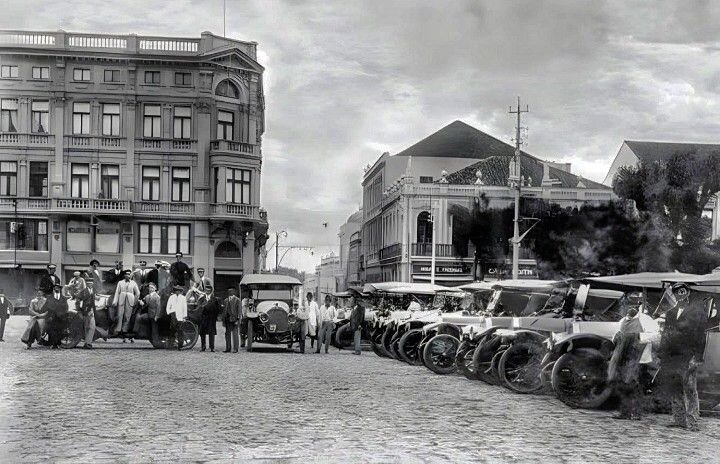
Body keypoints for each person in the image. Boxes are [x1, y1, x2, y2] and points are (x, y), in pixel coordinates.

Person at [658, 283, 709, 431]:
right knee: (674, 388)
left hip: (688, 356)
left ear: (688, 293)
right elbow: (665, 334)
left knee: (690, 389)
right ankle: (679, 420)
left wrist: (697, 357)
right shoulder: (671, 312)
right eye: (677, 292)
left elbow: (701, 336)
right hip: (671, 356)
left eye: (683, 291)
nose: (680, 295)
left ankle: (692, 422)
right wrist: (661, 354)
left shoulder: (698, 312)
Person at [608, 293, 644, 420]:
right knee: (623, 386)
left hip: (630, 360)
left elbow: (637, 343)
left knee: (631, 386)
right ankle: (625, 412)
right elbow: (617, 339)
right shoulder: (624, 322)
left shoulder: (637, 324)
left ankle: (634, 413)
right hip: (622, 358)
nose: (630, 310)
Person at [111, 270, 140, 337]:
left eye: (129, 274)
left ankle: (124, 330)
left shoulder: (133, 283)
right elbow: (117, 292)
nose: (128, 275)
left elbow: (137, 293)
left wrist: (135, 301)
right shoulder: (120, 282)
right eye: (126, 274)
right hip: (121, 299)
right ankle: (118, 330)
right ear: (124, 275)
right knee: (119, 315)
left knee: (127, 315)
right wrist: (115, 301)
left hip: (130, 300)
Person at [44, 283, 69, 349]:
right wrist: (49, 315)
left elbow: (66, 308)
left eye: (58, 287)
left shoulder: (63, 298)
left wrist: (62, 314)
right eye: (55, 287)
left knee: (60, 330)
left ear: (60, 289)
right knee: (52, 330)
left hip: (61, 318)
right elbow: (46, 307)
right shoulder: (49, 298)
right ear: (54, 289)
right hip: (51, 317)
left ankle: (58, 344)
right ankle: (52, 344)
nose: (56, 288)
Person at [198, 286, 222, 352]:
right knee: (202, 333)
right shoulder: (202, 299)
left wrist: (216, 316)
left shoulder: (215, 299)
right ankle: (203, 347)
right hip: (203, 318)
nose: (207, 291)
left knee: (211, 333)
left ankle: (212, 347)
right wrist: (204, 306)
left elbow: (218, 309)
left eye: (209, 290)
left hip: (211, 318)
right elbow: (199, 307)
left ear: (211, 291)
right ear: (205, 291)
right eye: (206, 290)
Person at [75, 280, 97, 349]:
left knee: (92, 327)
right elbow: (78, 299)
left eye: (91, 283)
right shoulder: (83, 291)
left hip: (92, 310)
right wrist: (79, 309)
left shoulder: (94, 291)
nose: (90, 284)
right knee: (86, 327)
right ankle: (87, 343)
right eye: (89, 283)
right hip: (86, 311)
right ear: (87, 284)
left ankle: (88, 342)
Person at [166, 285, 188, 350]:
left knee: (180, 331)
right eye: (176, 290)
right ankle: (171, 345)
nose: (177, 292)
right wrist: (169, 312)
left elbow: (185, 308)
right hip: (173, 315)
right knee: (172, 330)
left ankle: (180, 345)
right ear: (175, 291)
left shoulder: (183, 298)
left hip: (180, 316)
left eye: (179, 290)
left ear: (180, 291)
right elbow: (168, 306)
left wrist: (184, 316)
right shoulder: (171, 297)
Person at [223, 287, 241, 352]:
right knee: (227, 334)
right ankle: (228, 348)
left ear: (234, 292)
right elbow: (224, 310)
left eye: (231, 291)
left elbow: (239, 311)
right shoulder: (226, 300)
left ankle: (235, 348)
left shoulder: (237, 300)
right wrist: (223, 319)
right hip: (227, 319)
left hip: (234, 319)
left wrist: (238, 319)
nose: (230, 292)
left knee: (235, 334)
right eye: (229, 291)